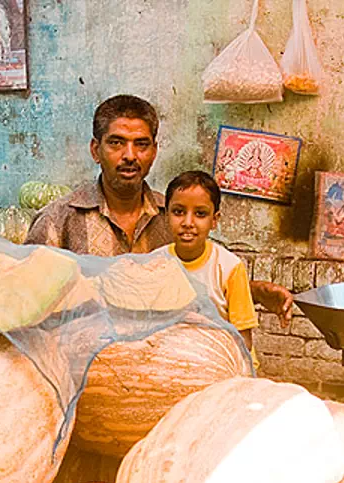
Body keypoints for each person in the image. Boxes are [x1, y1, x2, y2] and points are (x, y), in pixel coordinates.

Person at [27, 94, 294, 324]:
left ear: (154, 151)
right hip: (83, 361)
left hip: (164, 359)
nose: (130, 155)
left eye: (141, 144)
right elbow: (27, 302)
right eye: (116, 143)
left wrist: (255, 292)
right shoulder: (58, 220)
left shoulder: (175, 216)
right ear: (96, 150)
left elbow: (202, 282)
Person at [153, 171, 259, 361]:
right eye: (178, 212)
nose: (188, 223)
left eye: (200, 214)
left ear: (214, 220)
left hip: (225, 360)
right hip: (175, 359)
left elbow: (243, 340)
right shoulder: (154, 263)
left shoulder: (230, 268)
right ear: (166, 215)